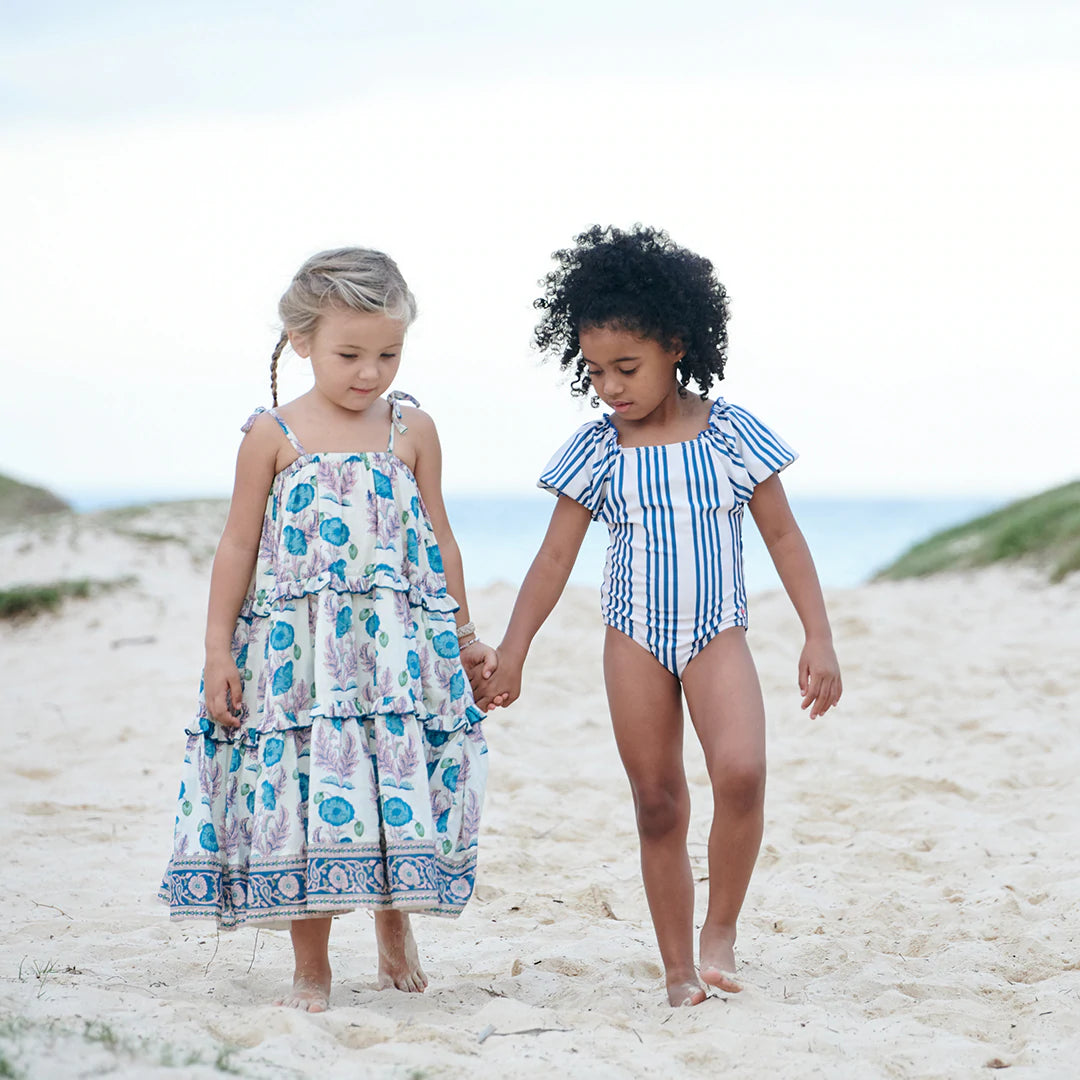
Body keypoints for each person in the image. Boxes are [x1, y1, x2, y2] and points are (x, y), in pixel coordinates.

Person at [472, 225, 842, 1007]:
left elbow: (783, 534)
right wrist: (514, 649)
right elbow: (552, 560)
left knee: (741, 773)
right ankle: (678, 968)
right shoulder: (597, 450)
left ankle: (722, 930)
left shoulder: (733, 433)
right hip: (632, 638)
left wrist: (818, 634)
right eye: (595, 371)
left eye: (626, 368)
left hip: (717, 633)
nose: (610, 387)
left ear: (678, 343)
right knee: (657, 800)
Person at [159, 247, 490, 1012]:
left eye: (388, 353)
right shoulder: (274, 435)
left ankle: (393, 920)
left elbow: (438, 538)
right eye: (350, 354)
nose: (370, 372)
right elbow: (237, 544)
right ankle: (312, 967)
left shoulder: (412, 428)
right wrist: (217, 652)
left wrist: (465, 636)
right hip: (298, 655)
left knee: (390, 780)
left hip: (397, 651)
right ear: (302, 341)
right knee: (308, 792)